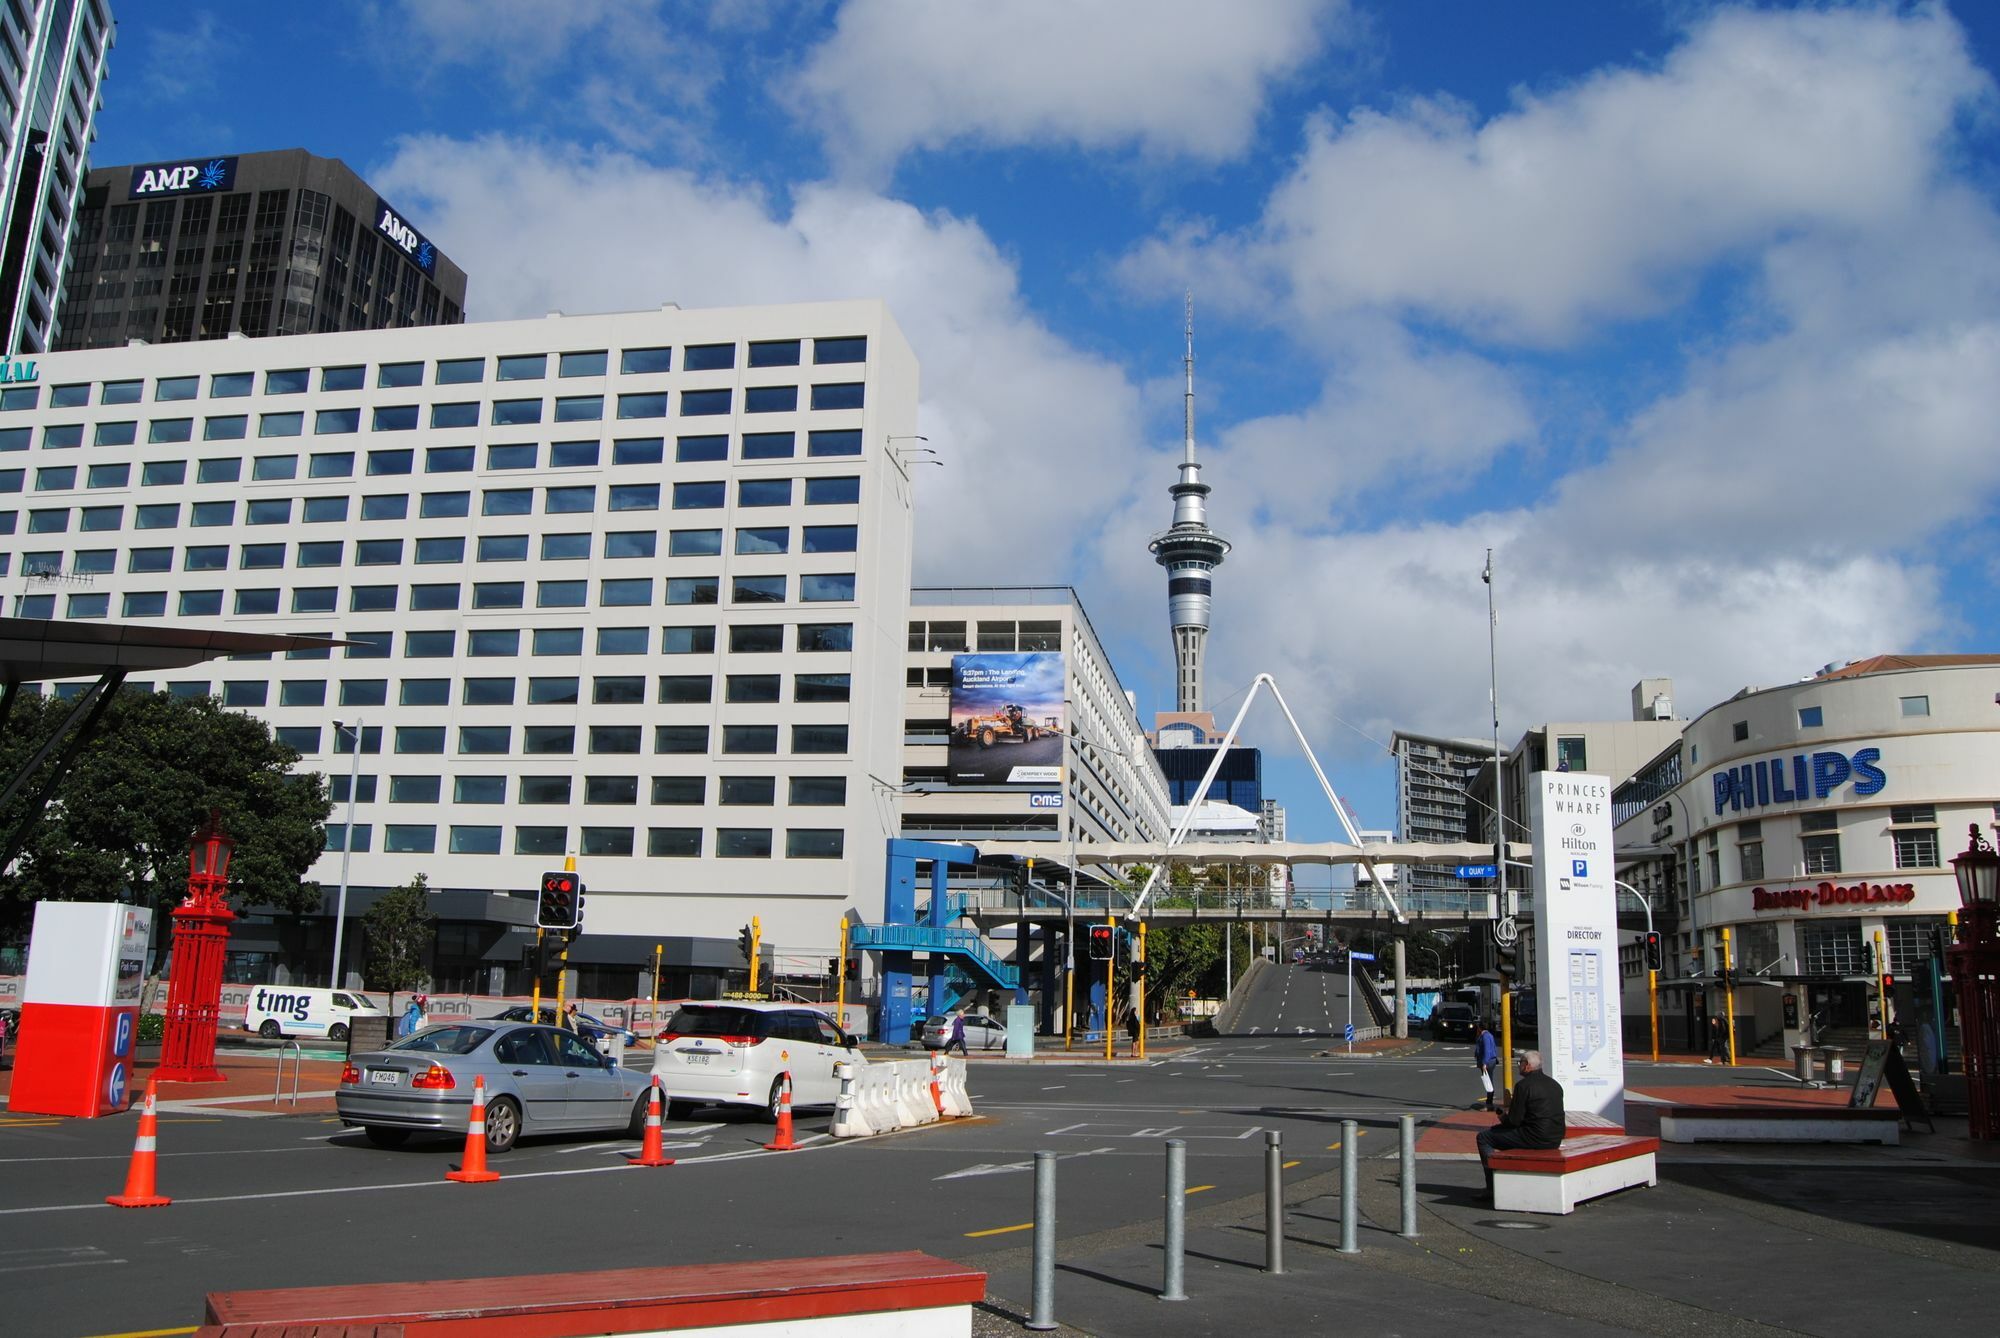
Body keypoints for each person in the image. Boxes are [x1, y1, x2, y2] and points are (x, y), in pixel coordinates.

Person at [1476, 1049, 1565, 1202]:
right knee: (1500, 1134)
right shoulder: (1554, 1084)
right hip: (1555, 1137)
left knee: (1484, 1137)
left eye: (1520, 1063)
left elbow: (1514, 1121)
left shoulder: (1523, 1086)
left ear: (1528, 1066)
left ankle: (1492, 1187)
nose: (1518, 1066)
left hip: (1534, 1137)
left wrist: (1502, 1116)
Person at [1472, 1021, 1500, 1110]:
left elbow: (1487, 1050)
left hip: (1488, 1062)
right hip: (1490, 1061)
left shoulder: (1485, 1036)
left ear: (1480, 1028)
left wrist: (1484, 1063)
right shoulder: (1488, 1035)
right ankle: (1489, 1103)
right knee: (1488, 1081)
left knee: (1488, 1082)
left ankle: (1489, 1104)